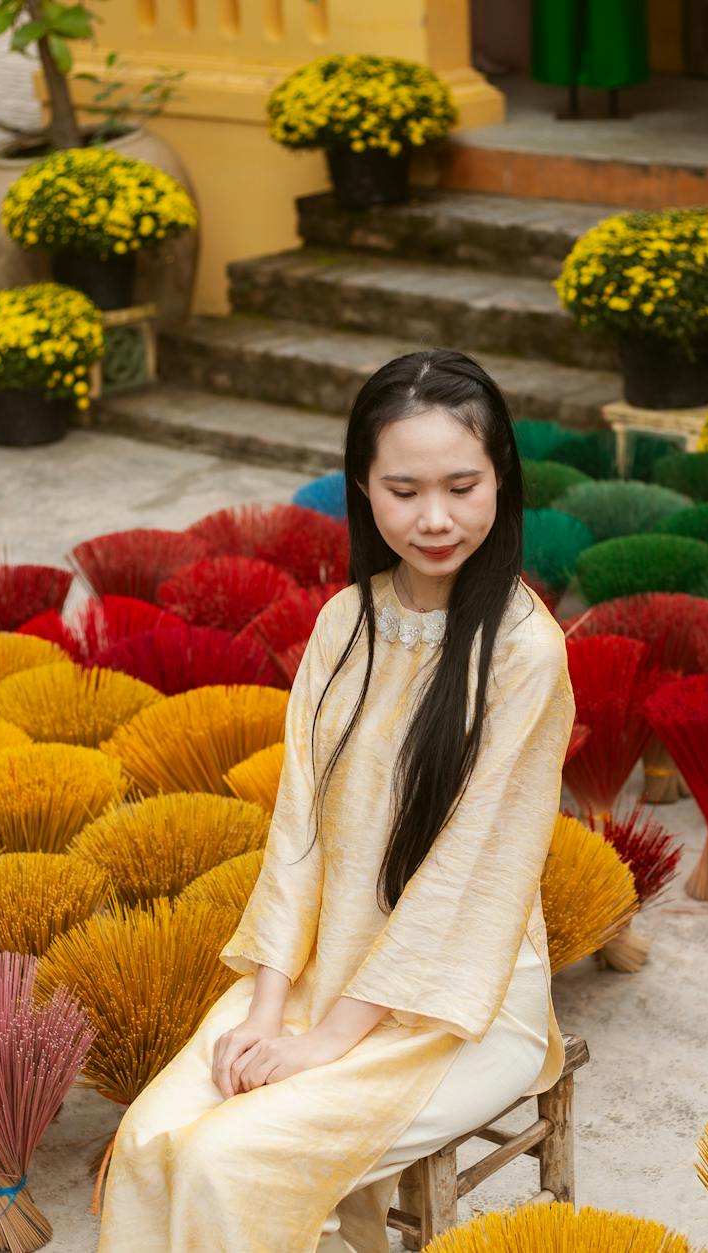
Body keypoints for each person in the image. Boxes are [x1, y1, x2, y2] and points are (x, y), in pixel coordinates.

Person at [98, 349, 576, 1253]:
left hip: (458, 1004)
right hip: (320, 973)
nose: (435, 518)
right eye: (403, 490)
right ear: (362, 487)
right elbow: (299, 836)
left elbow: (464, 881)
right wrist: (269, 1012)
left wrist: (324, 1046)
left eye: (462, 486)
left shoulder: (524, 655)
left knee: (223, 1162)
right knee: (151, 1139)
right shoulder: (345, 622)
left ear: (501, 480)